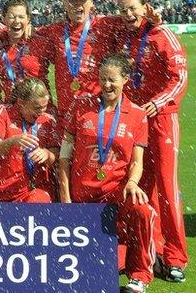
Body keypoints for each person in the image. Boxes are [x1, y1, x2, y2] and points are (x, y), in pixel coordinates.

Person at [58, 54, 155, 293]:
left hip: (116, 193)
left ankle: (139, 276)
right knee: (89, 271)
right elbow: (64, 158)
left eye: (112, 80)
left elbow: (137, 161)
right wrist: (66, 198)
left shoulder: (137, 115)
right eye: (103, 79)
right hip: (83, 195)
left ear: (125, 79)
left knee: (144, 210)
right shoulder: (81, 106)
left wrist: (132, 182)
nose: (107, 85)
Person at [118, 0, 189, 282]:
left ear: (146, 7)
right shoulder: (124, 38)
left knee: (167, 186)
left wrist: (158, 102)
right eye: (124, 11)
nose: (129, 15)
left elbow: (180, 77)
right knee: (141, 185)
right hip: (137, 121)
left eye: (133, 9)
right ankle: (153, 251)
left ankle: (175, 258)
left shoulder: (162, 34)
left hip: (161, 119)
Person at [33, 0, 122, 124]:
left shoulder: (104, 25)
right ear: (64, 3)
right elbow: (24, 31)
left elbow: (134, 20)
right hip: (66, 114)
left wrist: (153, 20)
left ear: (91, 3)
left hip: (99, 112)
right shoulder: (54, 31)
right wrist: (2, 35)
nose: (77, 4)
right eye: (72, 0)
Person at [0, 78, 59, 202]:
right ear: (21, 103)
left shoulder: (48, 120)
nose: (41, 112)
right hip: (4, 193)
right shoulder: (2, 112)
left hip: (36, 191)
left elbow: (57, 155)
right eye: (37, 108)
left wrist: (48, 154)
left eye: (45, 107)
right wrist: (12, 141)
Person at [0, 0, 51, 104]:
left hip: (40, 108)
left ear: (28, 20)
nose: (17, 21)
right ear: (4, 19)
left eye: (21, 17)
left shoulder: (41, 40)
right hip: (12, 108)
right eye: (11, 17)